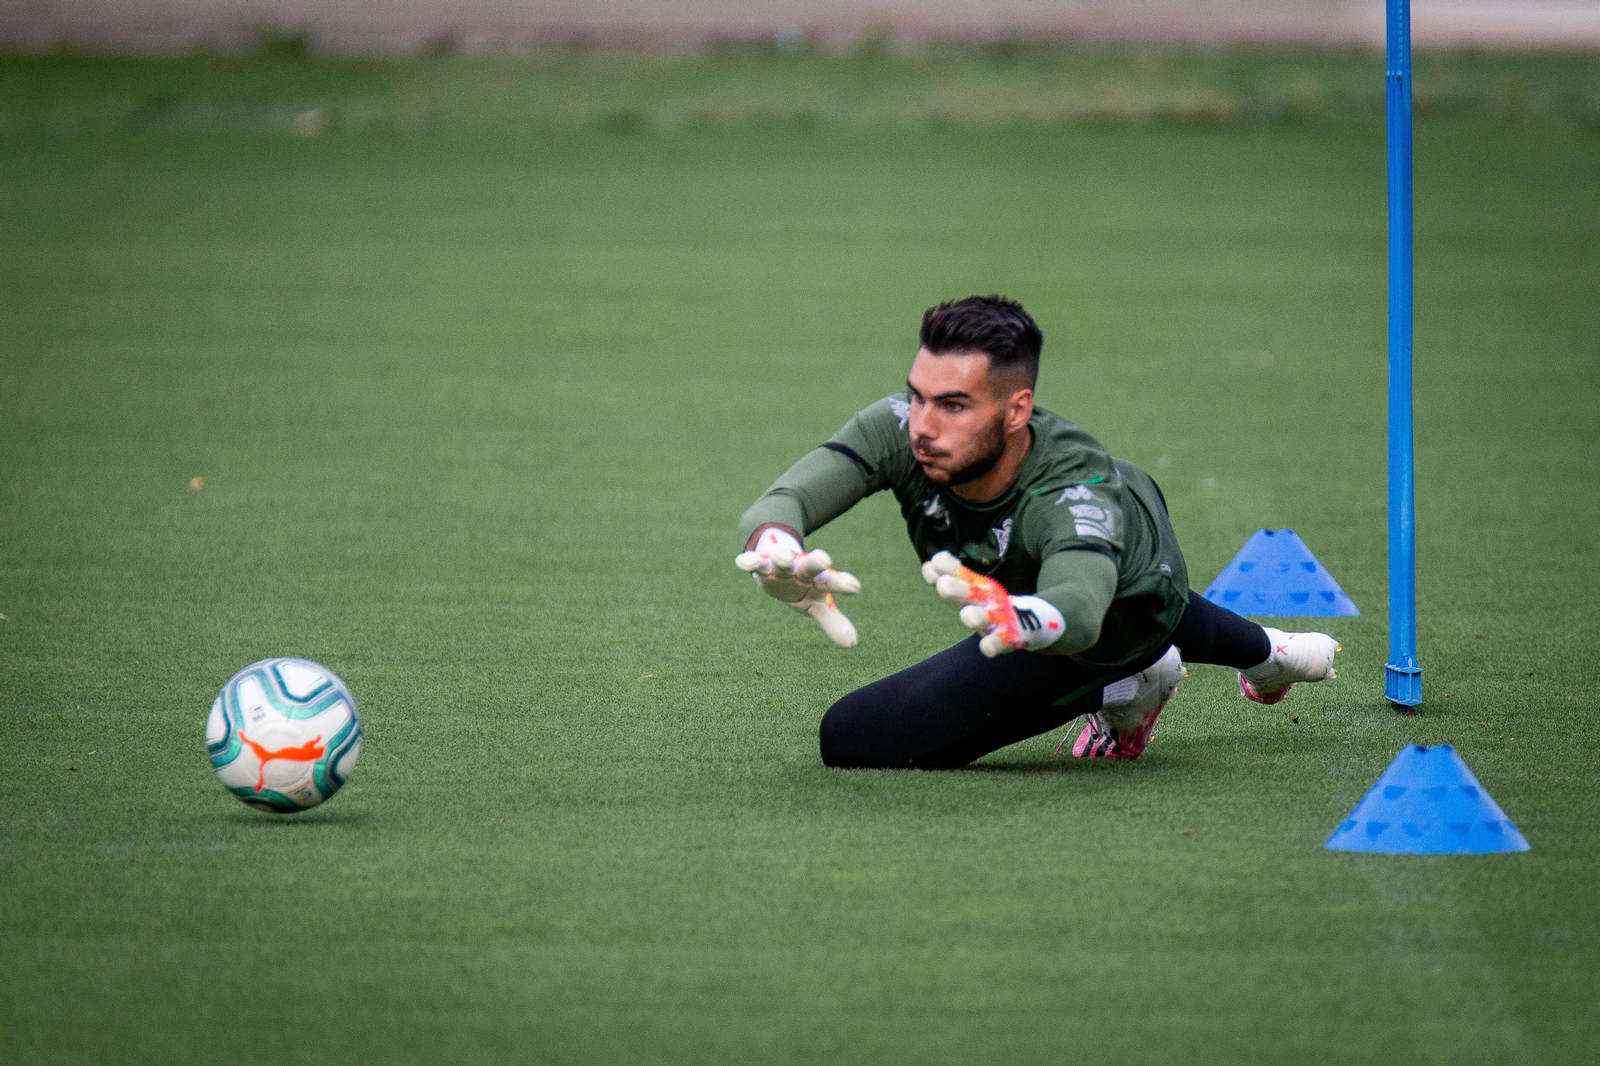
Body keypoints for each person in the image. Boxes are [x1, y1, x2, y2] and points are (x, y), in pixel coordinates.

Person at [735, 295, 1340, 769]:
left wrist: (1032, 621)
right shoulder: (906, 427)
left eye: (952, 405)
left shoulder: (1071, 494)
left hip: (1110, 613)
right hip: (1080, 572)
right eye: (917, 396)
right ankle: (1270, 655)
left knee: (853, 737)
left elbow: (1077, 610)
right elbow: (785, 498)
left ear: (1017, 410)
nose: (921, 425)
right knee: (1133, 598)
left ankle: (1129, 679)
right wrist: (774, 547)